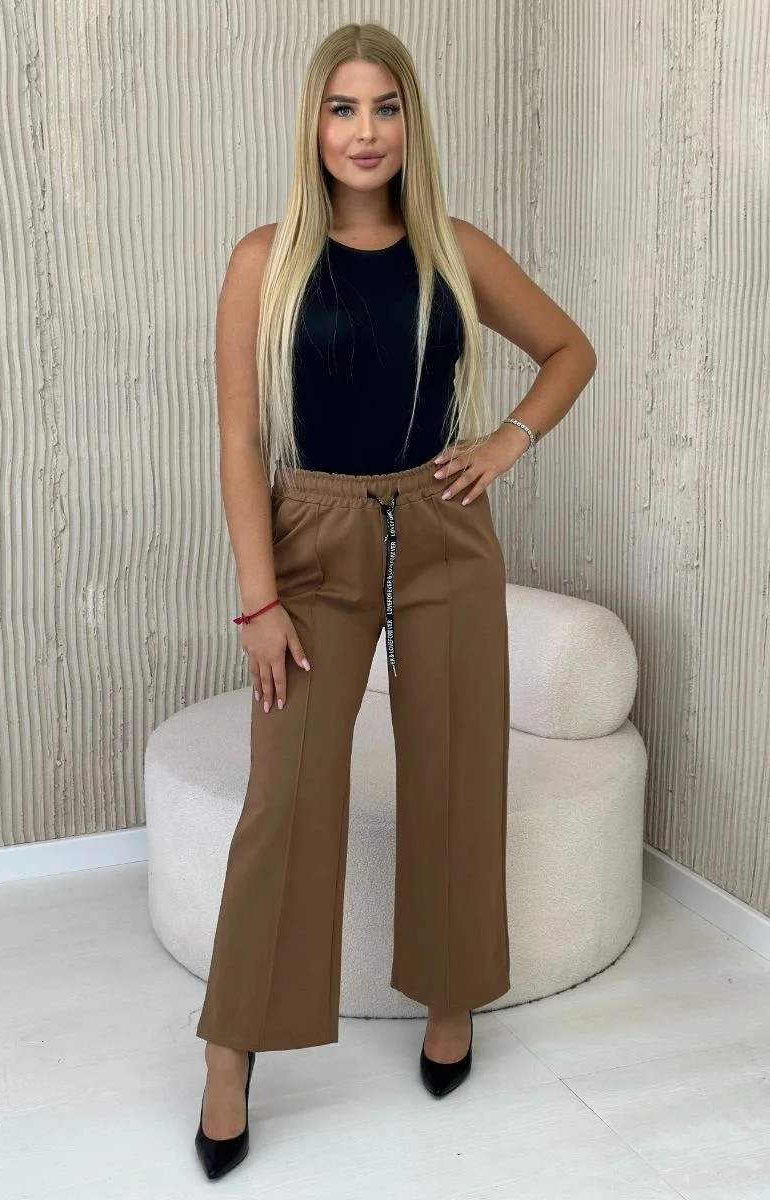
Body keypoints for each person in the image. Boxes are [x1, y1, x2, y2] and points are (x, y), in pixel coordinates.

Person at [194, 21, 596, 1181]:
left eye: (384, 108)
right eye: (341, 108)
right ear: (312, 126)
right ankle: (230, 1051)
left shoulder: (454, 250)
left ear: (410, 123)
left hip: (442, 532)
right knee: (285, 795)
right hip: (311, 539)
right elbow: (239, 439)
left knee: (456, 771)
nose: (363, 131)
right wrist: (258, 600)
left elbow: (567, 350)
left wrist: (506, 441)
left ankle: (451, 995)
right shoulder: (263, 260)